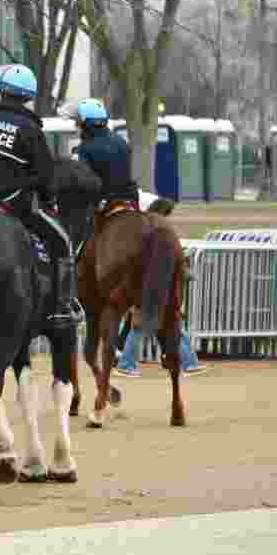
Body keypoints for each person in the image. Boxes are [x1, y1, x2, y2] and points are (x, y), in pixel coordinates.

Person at [0, 64, 81, 331]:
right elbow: (46, 175)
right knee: (62, 242)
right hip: (14, 204)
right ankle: (62, 306)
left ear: (1, 90)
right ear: (28, 96)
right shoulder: (30, 128)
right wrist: (48, 201)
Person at [114, 197, 208, 377]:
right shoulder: (158, 231)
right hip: (153, 287)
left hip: (147, 287)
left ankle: (189, 363)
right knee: (145, 327)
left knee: (154, 326)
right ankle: (127, 364)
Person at [71, 98, 139, 208]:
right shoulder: (121, 141)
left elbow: (81, 182)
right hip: (129, 200)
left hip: (102, 203)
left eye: (77, 122)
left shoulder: (83, 149)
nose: (76, 126)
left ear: (85, 123)